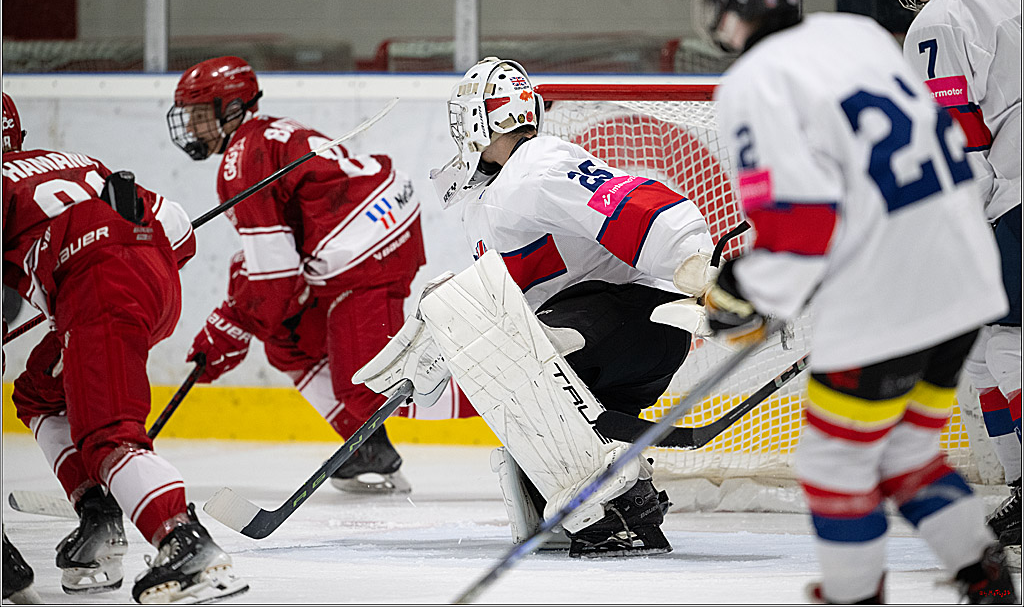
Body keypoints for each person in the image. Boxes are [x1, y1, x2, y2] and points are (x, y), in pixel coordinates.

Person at [691, 0, 1019, 604]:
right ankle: (984, 575)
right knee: (901, 449)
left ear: (730, 1)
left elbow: (803, 226)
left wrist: (742, 296)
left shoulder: (755, 81)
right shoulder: (857, 34)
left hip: (894, 295)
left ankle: (852, 595)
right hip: (966, 268)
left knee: (835, 458)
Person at [353, 56, 716, 557]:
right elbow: (506, 303)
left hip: (628, 319)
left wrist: (695, 261)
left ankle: (608, 496)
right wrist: (444, 341)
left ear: (478, 120)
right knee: (527, 441)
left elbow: (630, 202)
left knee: (517, 359)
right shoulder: (492, 200)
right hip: (613, 344)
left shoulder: (535, 164)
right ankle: (622, 510)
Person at [166, 56, 461, 494]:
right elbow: (272, 266)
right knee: (287, 338)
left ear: (229, 107)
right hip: (361, 239)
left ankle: (511, 401)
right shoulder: (260, 137)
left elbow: (275, 275)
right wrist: (238, 318)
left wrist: (230, 328)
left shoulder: (242, 159)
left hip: (366, 250)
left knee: (370, 388)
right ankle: (366, 450)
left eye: (198, 114)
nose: (191, 126)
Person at [2, 92, 248, 603]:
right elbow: (177, 227)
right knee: (39, 392)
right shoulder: (75, 162)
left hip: (96, 288)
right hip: (152, 278)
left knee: (107, 433)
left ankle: (185, 545)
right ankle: (100, 516)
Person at [886, 0, 1021, 553]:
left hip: (1011, 202)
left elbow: (956, 144)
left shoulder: (939, 20)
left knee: (1006, 351)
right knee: (982, 354)